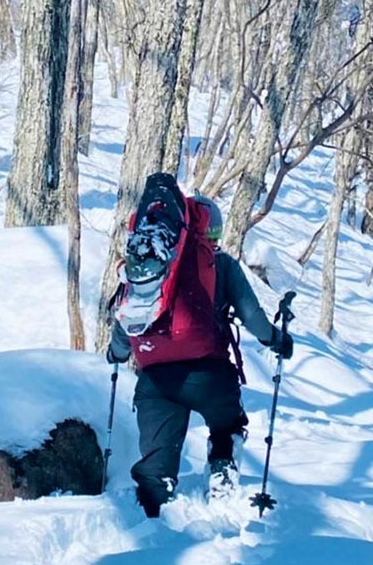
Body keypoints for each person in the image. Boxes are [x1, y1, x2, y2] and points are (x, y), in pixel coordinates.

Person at [107, 195, 293, 518]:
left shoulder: (152, 264)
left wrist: (116, 353)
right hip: (209, 374)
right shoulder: (219, 264)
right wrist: (277, 340)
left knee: (156, 463)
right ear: (210, 232)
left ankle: (152, 508)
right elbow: (252, 316)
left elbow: (127, 321)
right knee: (226, 424)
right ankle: (222, 472)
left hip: (155, 379)